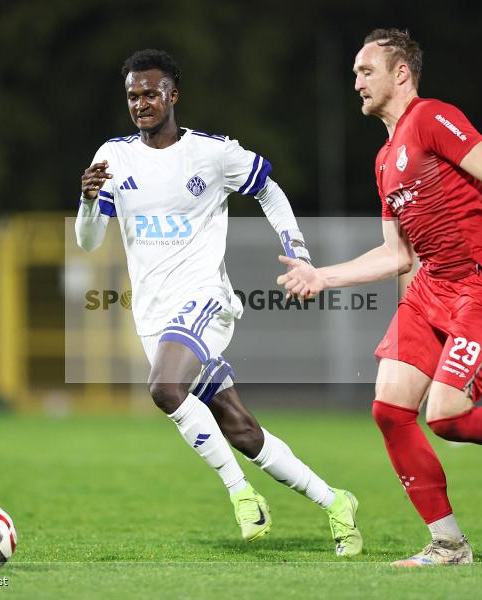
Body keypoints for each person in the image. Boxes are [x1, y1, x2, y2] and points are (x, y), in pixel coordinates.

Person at [278, 29, 482, 566]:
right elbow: (397, 255)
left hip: (481, 281)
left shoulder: (429, 118)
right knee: (389, 411)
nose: (355, 81)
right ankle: (449, 544)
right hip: (429, 289)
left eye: (365, 70)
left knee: (447, 416)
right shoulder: (384, 160)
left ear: (401, 73)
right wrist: (322, 276)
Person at [75, 49, 362, 556]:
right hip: (153, 314)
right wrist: (86, 201)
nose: (140, 103)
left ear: (173, 95)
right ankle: (337, 502)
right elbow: (90, 241)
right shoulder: (114, 157)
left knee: (165, 388)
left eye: (150, 93)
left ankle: (241, 494)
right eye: (132, 95)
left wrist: (298, 251)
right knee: (240, 428)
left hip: (206, 299)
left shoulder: (211, 152)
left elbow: (269, 191)